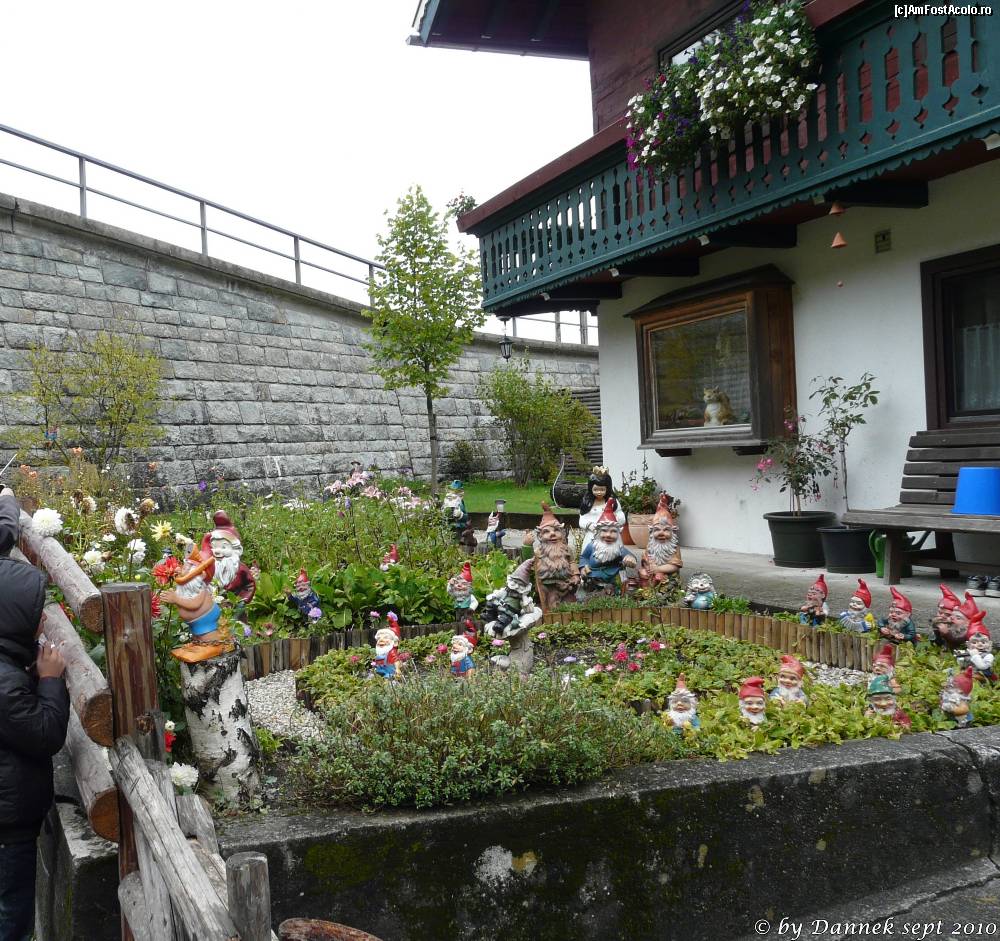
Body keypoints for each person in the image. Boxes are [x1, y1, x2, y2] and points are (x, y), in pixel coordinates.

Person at [0, 486, 69, 941]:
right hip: (8, 827)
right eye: (36, 613)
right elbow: (44, 733)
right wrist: (49, 680)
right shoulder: (4, 683)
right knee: (11, 916)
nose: (42, 620)